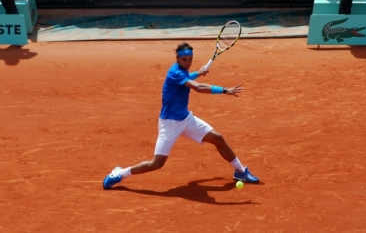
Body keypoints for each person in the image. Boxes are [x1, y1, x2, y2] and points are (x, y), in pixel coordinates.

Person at [103, 42, 259, 189]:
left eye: (190, 59)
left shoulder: (181, 71)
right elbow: (198, 88)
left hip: (186, 119)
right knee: (156, 164)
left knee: (217, 138)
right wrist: (224, 90)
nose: (187, 62)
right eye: (184, 59)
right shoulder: (175, 72)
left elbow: (187, 78)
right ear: (177, 58)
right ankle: (120, 173)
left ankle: (240, 171)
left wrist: (198, 72)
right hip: (170, 123)